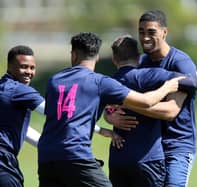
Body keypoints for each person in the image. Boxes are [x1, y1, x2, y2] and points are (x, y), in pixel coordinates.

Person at [37, 32, 183, 187]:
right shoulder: (100, 82)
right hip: (76, 155)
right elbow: (146, 102)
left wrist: (104, 128)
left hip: (46, 157)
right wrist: (167, 87)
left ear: (73, 55)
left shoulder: (54, 81)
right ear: (97, 57)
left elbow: (68, 117)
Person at [106, 35, 197, 187]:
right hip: (148, 158)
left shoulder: (108, 82)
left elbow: (101, 110)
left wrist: (108, 120)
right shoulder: (147, 75)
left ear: (114, 59)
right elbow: (191, 81)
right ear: (139, 58)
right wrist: (169, 86)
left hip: (118, 159)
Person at [137, 10, 197, 187]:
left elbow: (171, 111)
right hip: (149, 147)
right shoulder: (141, 63)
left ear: (164, 32)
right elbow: (119, 93)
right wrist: (112, 113)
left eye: (151, 32)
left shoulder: (180, 61)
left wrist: (134, 104)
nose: (145, 37)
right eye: (141, 32)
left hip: (177, 146)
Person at [0, 45, 45, 187]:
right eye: (24, 67)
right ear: (10, 67)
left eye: (32, 68)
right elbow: (55, 112)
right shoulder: (19, 90)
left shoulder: (3, 87)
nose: (29, 72)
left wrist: (45, 145)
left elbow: (16, 127)